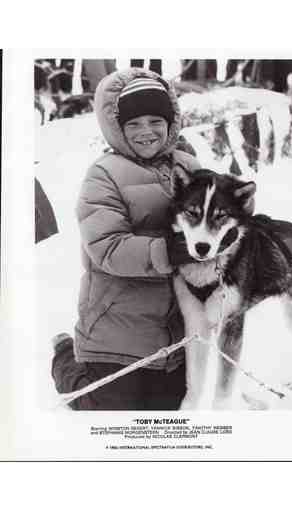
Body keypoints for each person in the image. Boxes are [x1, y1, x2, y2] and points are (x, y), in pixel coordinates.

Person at [51, 68, 201, 410]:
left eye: (154, 120)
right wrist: (170, 251)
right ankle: (64, 359)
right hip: (116, 328)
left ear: (170, 121)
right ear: (117, 127)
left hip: (176, 332)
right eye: (133, 123)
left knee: (168, 414)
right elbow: (107, 247)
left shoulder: (189, 165)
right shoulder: (103, 174)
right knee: (105, 413)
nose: (146, 131)